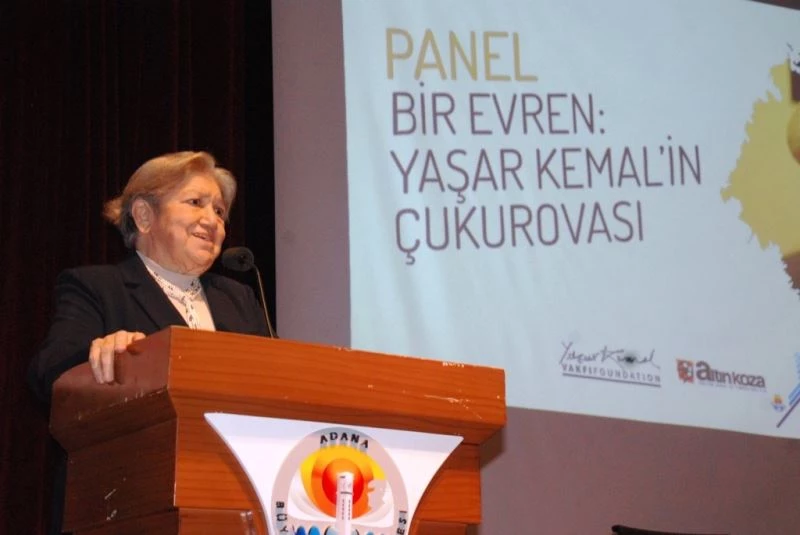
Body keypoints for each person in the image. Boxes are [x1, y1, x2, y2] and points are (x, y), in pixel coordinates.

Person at [27, 150, 269, 533]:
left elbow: (273, 386)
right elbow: (50, 375)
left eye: (220, 211)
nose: (213, 221)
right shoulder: (99, 288)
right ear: (143, 216)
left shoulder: (238, 298)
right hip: (126, 499)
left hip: (230, 497)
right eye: (196, 203)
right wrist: (102, 356)